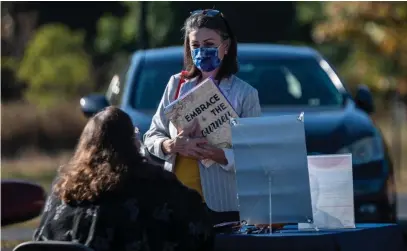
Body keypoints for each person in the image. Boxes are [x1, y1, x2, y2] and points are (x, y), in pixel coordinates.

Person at [33, 107, 214, 251]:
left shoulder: (62, 189)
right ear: (133, 142)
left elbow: (39, 241)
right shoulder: (155, 185)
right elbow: (200, 230)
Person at [143, 9, 262, 224]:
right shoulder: (176, 84)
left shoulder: (245, 94)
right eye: (195, 46)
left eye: (209, 44)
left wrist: (220, 155)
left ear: (225, 46)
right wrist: (172, 146)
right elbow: (151, 136)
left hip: (223, 205)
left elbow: (255, 157)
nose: (202, 51)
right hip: (177, 200)